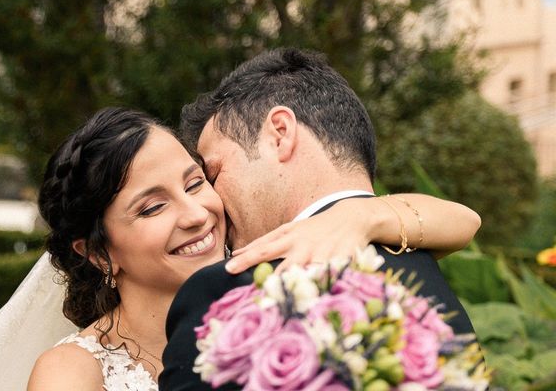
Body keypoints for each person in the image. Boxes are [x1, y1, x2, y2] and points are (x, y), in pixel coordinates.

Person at [0, 106, 477, 391]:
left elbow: (462, 223)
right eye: (151, 207)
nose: (196, 214)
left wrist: (360, 214)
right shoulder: (72, 372)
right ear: (97, 253)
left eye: (194, 182)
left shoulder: (267, 283)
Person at [159, 48, 479, 390]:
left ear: (280, 133)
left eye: (214, 173)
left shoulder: (230, 289)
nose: (212, 201)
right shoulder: (421, 262)